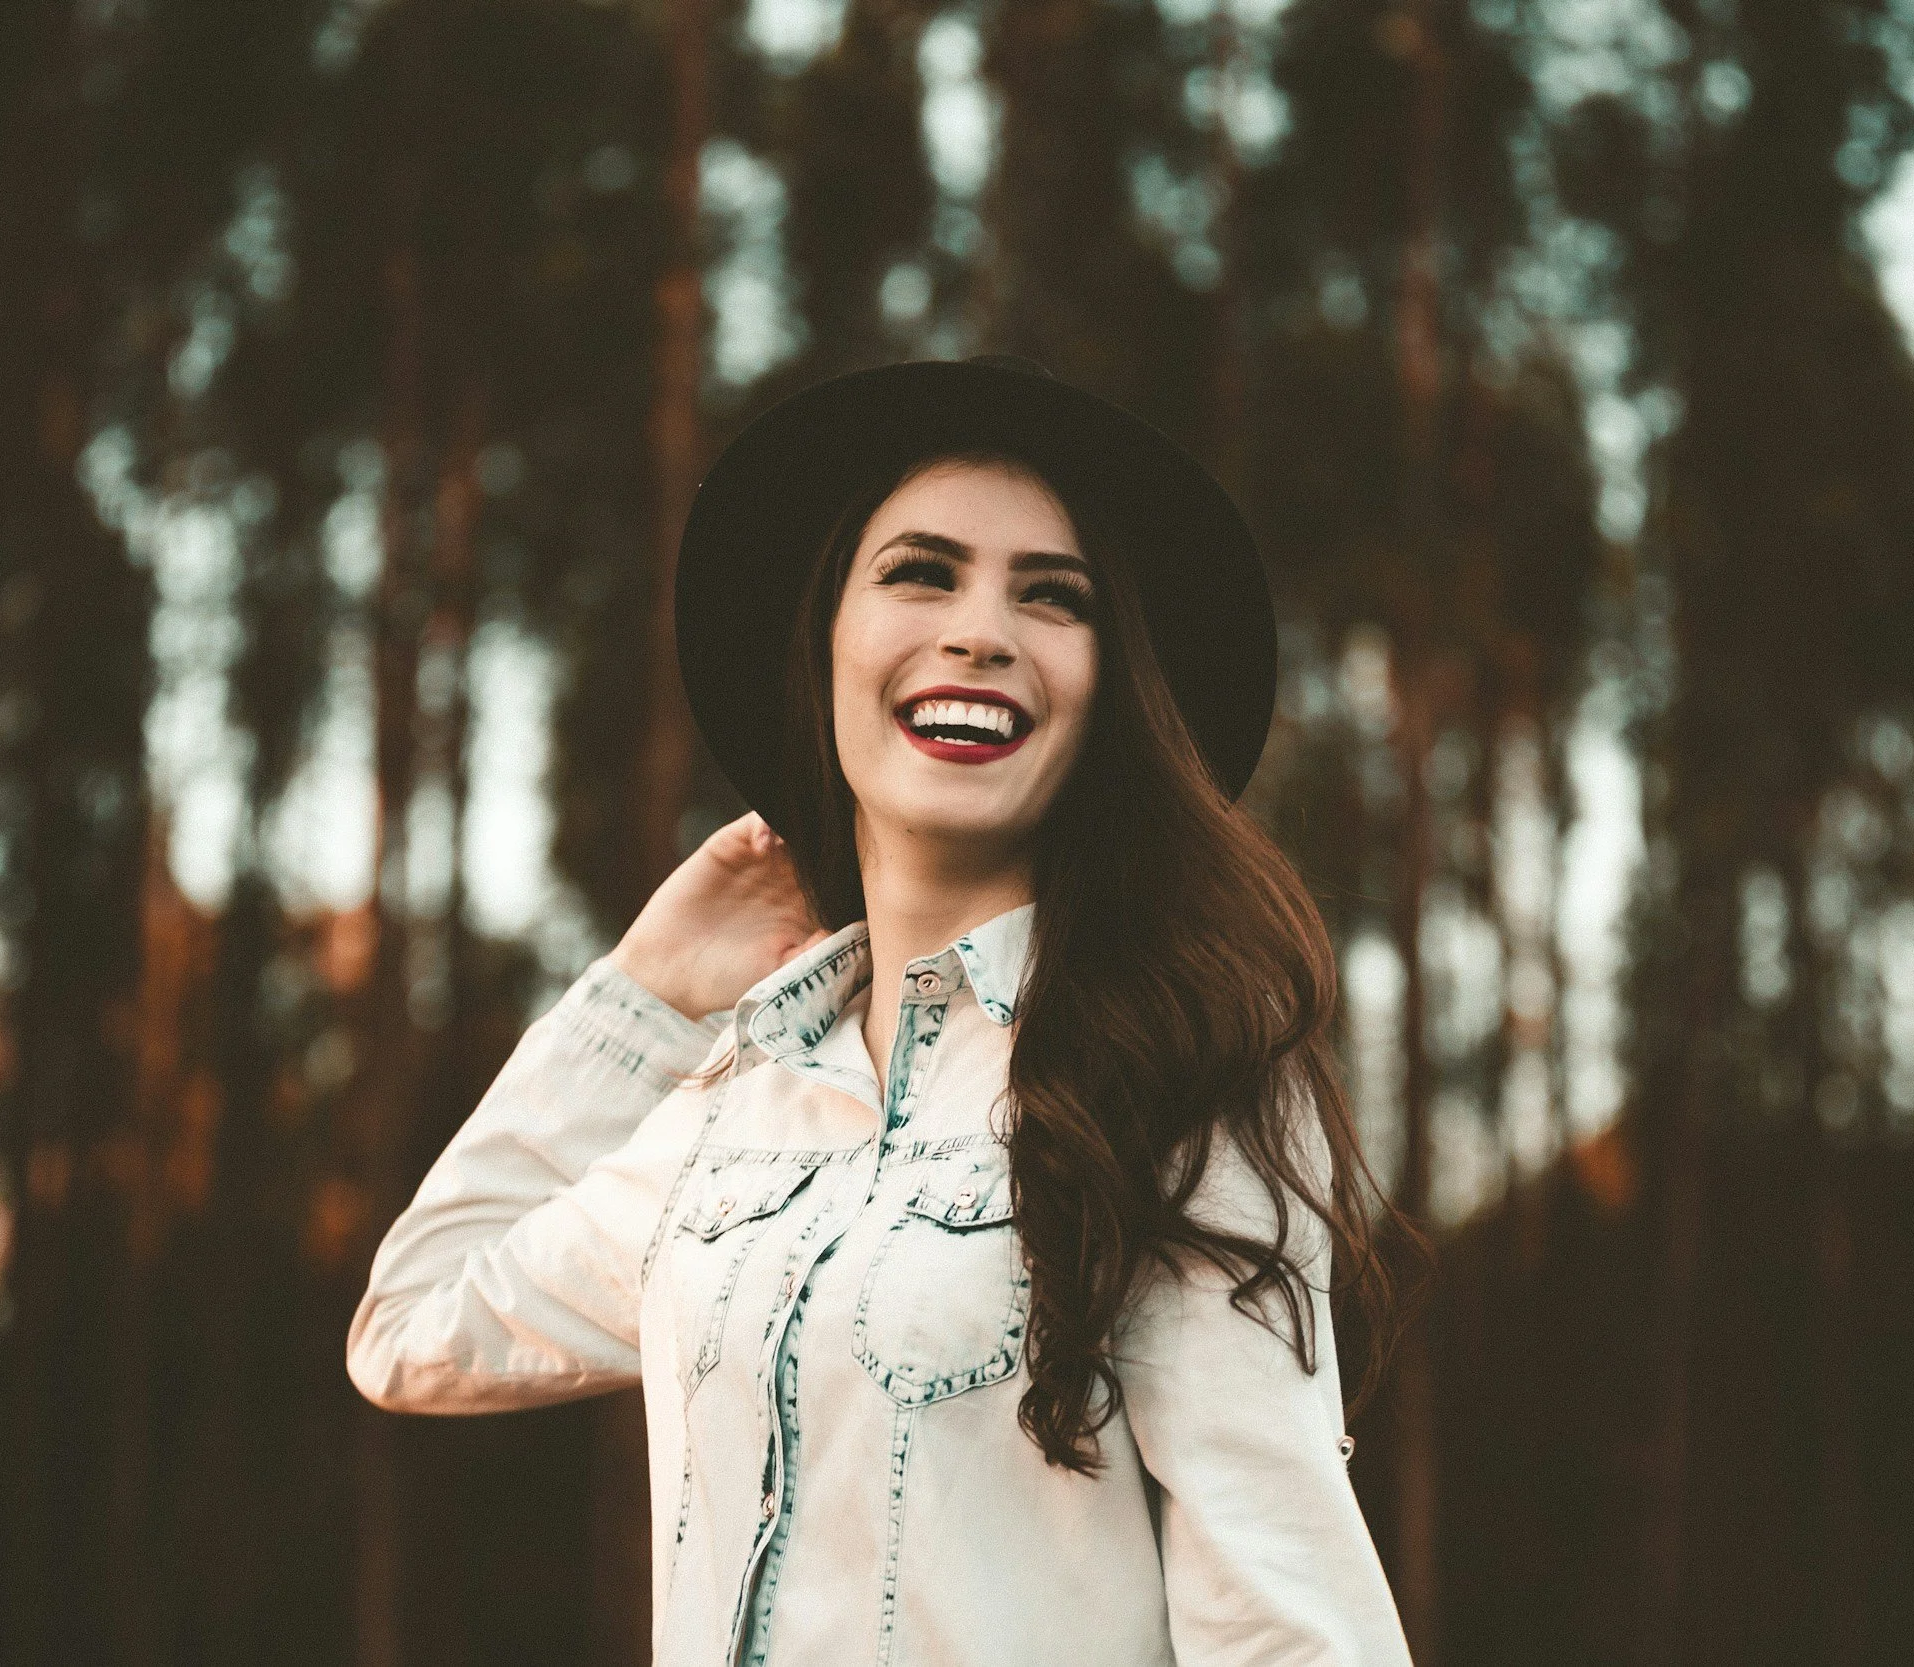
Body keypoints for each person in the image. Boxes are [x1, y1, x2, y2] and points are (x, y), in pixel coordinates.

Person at [348, 356, 1424, 1665]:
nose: (980, 630)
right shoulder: (733, 1103)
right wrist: (641, 998)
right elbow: (415, 1326)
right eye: (922, 571)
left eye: (1053, 595)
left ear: (1108, 692)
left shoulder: (1178, 1074)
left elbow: (1287, 1621)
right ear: (827, 643)